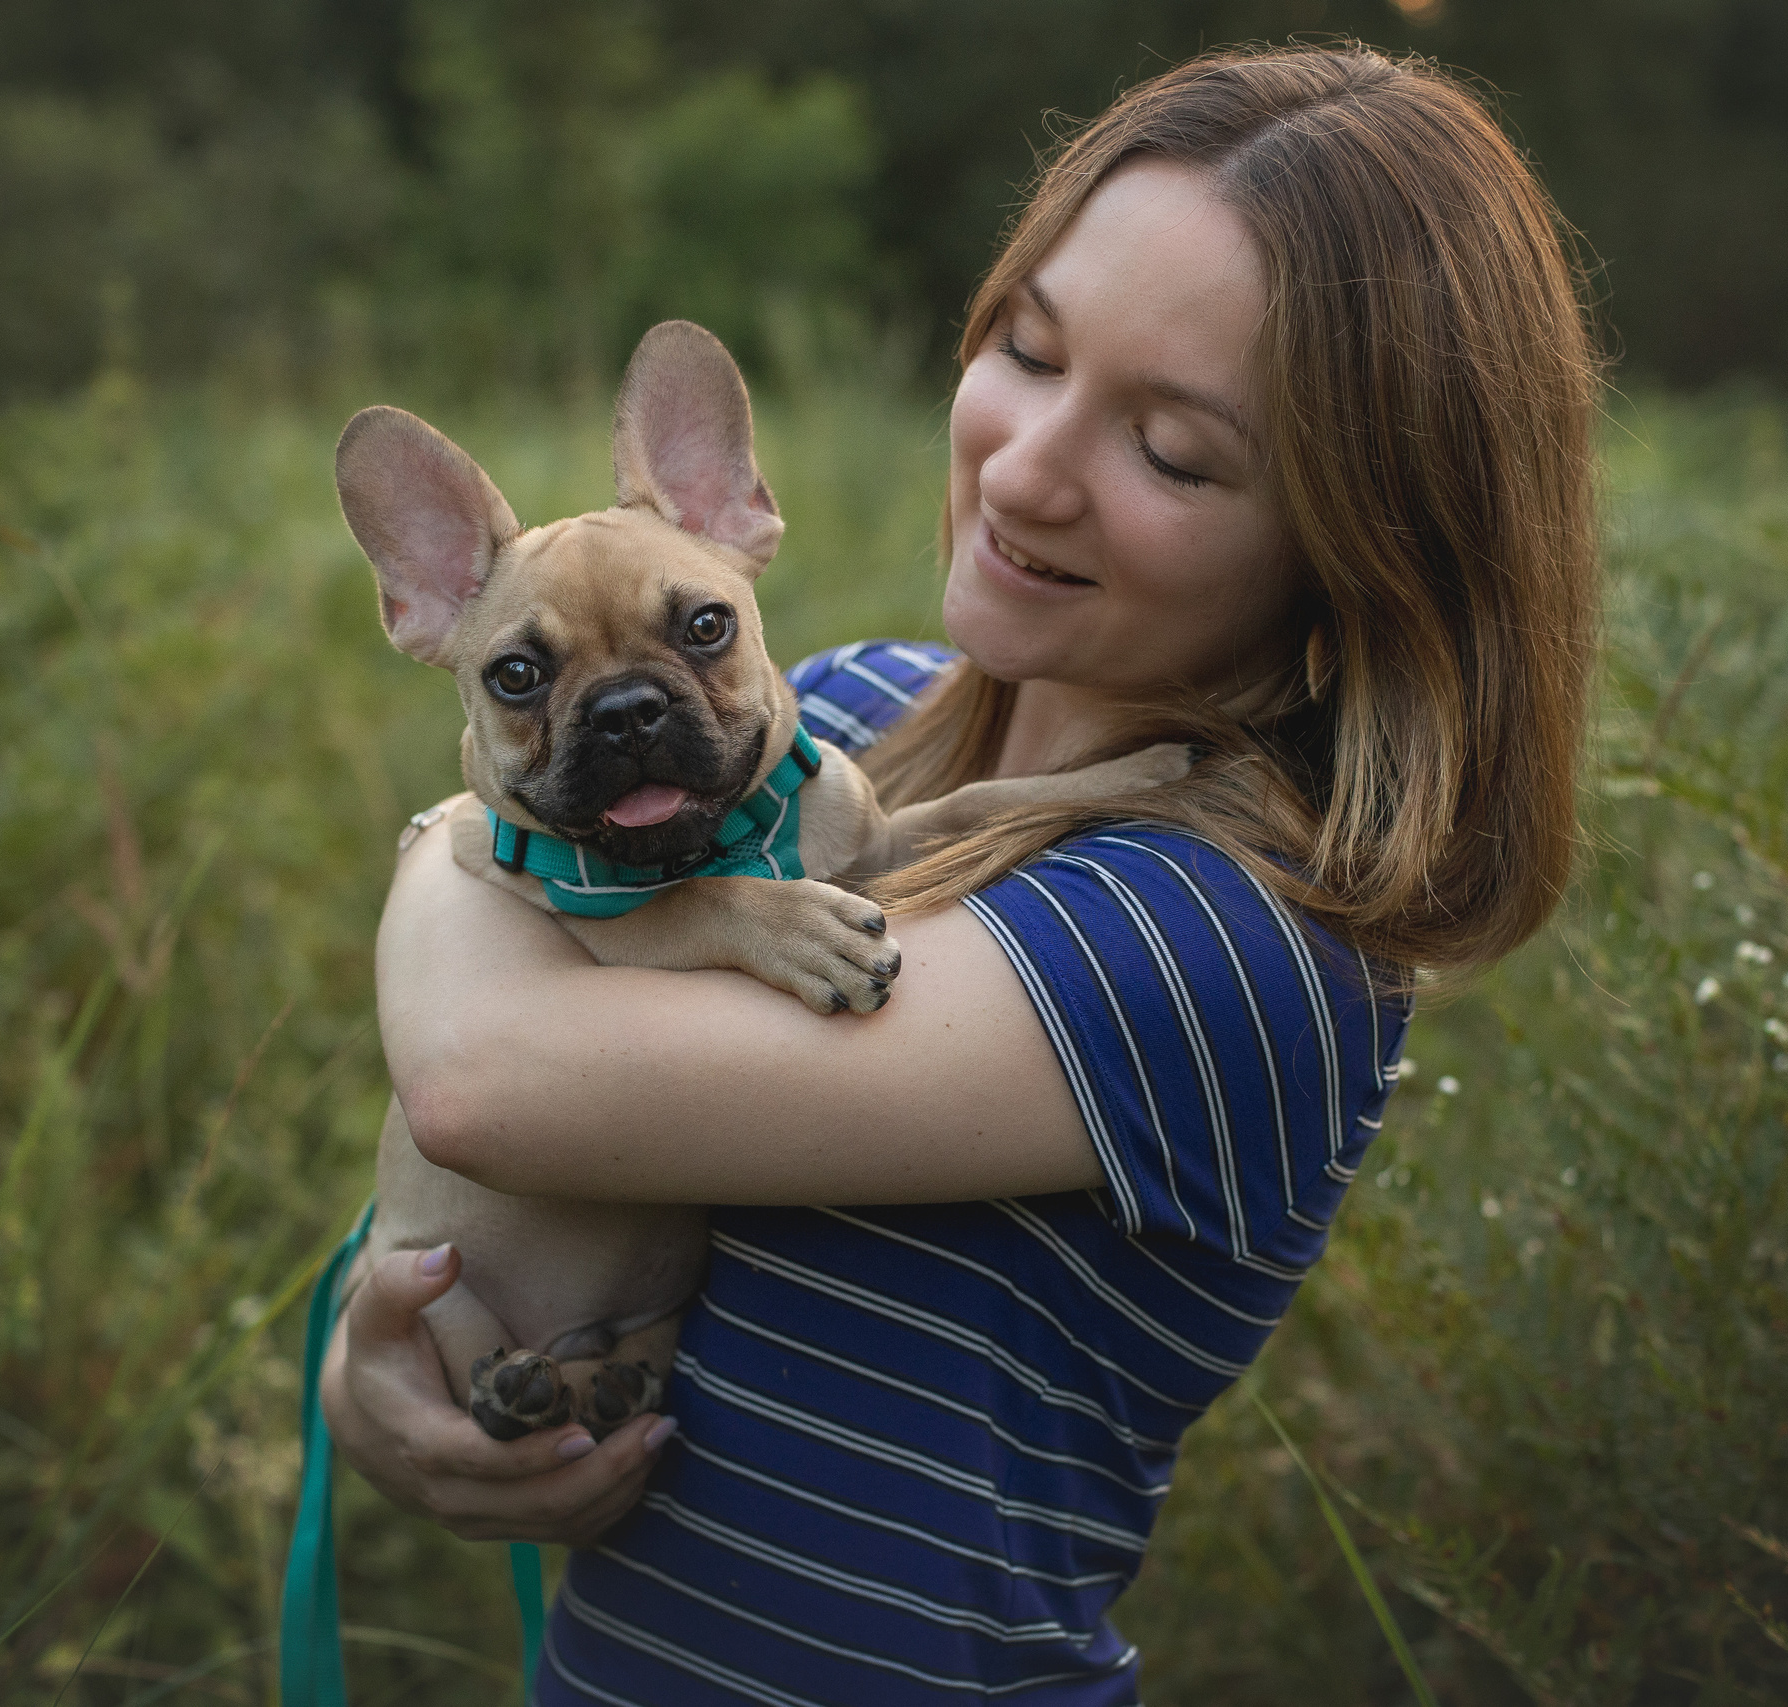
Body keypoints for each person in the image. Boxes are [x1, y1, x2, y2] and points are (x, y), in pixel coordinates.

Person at [321, 43, 1597, 1703]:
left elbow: (483, 1078)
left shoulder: (1236, 941)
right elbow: (471, 1163)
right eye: (1030, 348)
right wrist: (379, 1383)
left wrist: (453, 846)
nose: (1026, 468)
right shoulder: (831, 716)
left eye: (1177, 451)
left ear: (1370, 545)